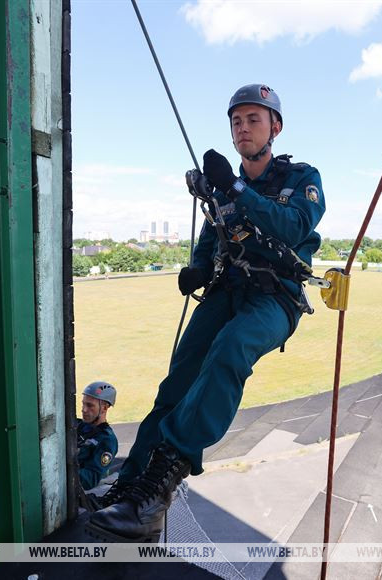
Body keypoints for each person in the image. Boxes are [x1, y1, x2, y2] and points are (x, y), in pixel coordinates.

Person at [85, 84, 326, 542]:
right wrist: (197, 268)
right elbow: (214, 232)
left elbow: (294, 225)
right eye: (236, 121)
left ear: (275, 127)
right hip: (225, 290)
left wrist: (234, 186)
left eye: (254, 119)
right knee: (175, 383)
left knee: (230, 350)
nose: (243, 128)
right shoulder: (222, 188)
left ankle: (158, 491)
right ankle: (131, 488)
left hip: (275, 297)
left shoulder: (301, 177)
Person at [76, 381, 118, 496]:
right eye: (83, 404)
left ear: (104, 408)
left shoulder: (107, 440)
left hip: (83, 491)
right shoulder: (79, 426)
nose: (84, 410)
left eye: (90, 405)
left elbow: (90, 479)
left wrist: (61, 472)